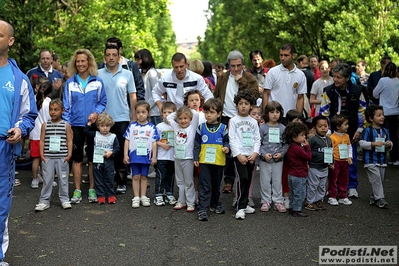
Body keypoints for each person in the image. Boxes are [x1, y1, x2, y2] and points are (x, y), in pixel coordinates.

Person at [0, 20, 37, 265]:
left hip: (4, 148)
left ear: (10, 41)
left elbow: (29, 114)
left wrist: (20, 129)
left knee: (1, 205)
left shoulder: (19, 78)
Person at [63, 48, 107, 204]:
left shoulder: (97, 81)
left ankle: (92, 189)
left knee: (93, 158)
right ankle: (77, 190)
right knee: (77, 159)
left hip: (93, 125)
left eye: (83, 61)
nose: (80, 64)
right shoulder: (70, 83)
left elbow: (102, 102)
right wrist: (68, 126)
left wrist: (96, 113)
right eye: (78, 61)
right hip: (75, 125)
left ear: (89, 62)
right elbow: (66, 107)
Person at [213, 50, 258, 193]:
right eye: (233, 66)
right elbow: (216, 95)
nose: (236, 69)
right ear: (229, 65)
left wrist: (241, 81)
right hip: (226, 117)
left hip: (243, 118)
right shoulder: (223, 77)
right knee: (228, 149)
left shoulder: (249, 78)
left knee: (241, 147)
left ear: (243, 65)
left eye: (238, 65)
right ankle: (228, 180)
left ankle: (241, 182)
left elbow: (254, 95)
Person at [320, 63, 367, 199]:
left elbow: (362, 111)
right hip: (332, 133)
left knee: (349, 159)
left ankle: (351, 187)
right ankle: (332, 189)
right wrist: (327, 131)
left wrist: (359, 129)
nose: (335, 80)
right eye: (334, 76)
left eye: (339, 77)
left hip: (350, 131)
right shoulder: (328, 90)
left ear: (347, 78)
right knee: (331, 161)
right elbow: (324, 111)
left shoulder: (358, 91)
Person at [98, 44, 136, 194]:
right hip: (103, 119)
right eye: (108, 55)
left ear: (119, 56)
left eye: (114, 54)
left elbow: (133, 96)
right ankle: (105, 181)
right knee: (103, 150)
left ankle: (121, 181)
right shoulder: (98, 73)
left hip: (121, 118)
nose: (111, 57)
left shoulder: (127, 74)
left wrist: (133, 117)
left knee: (120, 151)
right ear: (104, 57)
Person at [194, 98, 229, 221]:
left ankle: (215, 204)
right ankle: (203, 209)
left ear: (219, 114)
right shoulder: (201, 127)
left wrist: (226, 148)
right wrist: (195, 157)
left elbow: (227, 142)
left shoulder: (223, 128)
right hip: (205, 162)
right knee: (204, 185)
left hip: (219, 162)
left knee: (216, 185)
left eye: (212, 112)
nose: (208, 115)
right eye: (206, 112)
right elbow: (197, 144)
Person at [34, 98, 73, 211]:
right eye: (51, 109)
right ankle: (44, 200)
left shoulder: (66, 125)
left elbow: (69, 140)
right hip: (48, 157)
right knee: (47, 179)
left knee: (63, 179)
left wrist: (69, 154)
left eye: (56, 109)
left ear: (62, 111)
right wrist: (42, 154)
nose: (53, 112)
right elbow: (41, 140)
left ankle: (65, 199)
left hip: (62, 156)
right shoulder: (45, 125)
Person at [229, 90, 260, 220]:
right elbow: (232, 139)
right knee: (243, 179)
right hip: (240, 156)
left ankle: (245, 203)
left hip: (250, 155)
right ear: (236, 105)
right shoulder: (233, 120)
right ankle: (240, 207)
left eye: (246, 103)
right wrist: (238, 155)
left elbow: (257, 139)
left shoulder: (253, 121)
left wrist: (255, 153)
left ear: (250, 106)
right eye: (240, 103)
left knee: (248, 180)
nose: (243, 106)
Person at [123, 102, 159, 208]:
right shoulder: (132, 126)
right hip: (134, 156)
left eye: (143, 112)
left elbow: (154, 143)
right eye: (138, 112)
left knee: (144, 176)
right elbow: (127, 140)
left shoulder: (152, 127)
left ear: (148, 113)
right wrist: (125, 155)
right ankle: (136, 197)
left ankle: (143, 196)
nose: (141, 115)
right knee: (135, 176)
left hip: (146, 156)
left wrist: (154, 156)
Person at [167, 106, 199, 212]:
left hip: (188, 158)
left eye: (185, 118)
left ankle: (191, 202)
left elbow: (196, 114)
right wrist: (177, 112)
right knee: (180, 181)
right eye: (180, 118)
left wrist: (189, 109)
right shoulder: (176, 126)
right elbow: (168, 118)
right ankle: (181, 201)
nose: (183, 121)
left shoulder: (193, 127)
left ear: (190, 118)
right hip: (177, 158)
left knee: (188, 181)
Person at [359, 105, 392, 208]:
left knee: (379, 180)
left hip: (382, 160)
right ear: (371, 118)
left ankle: (373, 197)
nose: (382, 117)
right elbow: (361, 143)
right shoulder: (367, 130)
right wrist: (373, 144)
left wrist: (389, 144)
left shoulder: (385, 131)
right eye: (378, 115)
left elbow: (390, 142)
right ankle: (380, 199)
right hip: (370, 160)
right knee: (376, 178)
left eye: (382, 115)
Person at [262, 43, 307, 118]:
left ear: (293, 55)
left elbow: (300, 97)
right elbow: (266, 94)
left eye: (286, 55)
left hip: (291, 116)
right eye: (281, 55)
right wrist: (265, 115)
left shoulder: (300, 75)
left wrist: (298, 117)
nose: (282, 58)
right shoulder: (273, 72)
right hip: (274, 116)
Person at [84, 112, 119, 204]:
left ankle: (111, 195)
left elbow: (117, 148)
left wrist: (112, 152)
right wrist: (90, 122)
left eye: (107, 125)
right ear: (98, 126)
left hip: (109, 161)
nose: (105, 128)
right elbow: (86, 131)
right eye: (102, 125)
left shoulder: (113, 136)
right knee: (98, 179)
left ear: (110, 126)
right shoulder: (96, 134)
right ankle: (101, 196)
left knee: (109, 179)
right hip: (98, 160)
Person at [259, 101, 287, 213]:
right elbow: (258, 143)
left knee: (277, 180)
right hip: (265, 159)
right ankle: (265, 200)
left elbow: (286, 144)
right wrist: (263, 154)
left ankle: (278, 201)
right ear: (267, 113)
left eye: (277, 112)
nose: (275, 114)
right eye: (272, 112)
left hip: (278, 159)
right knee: (264, 181)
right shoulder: (262, 128)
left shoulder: (283, 128)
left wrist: (281, 154)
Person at [99, 37, 145, 101]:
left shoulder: (131, 66)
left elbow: (139, 87)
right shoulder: (101, 68)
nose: (111, 48)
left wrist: (137, 107)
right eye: (108, 46)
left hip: (127, 108)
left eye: (114, 47)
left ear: (120, 49)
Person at [372, 62, 399, 166]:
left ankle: (381, 156)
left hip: (384, 111)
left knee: (382, 134)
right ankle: (395, 158)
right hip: (395, 111)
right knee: (394, 135)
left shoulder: (383, 80)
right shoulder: (397, 81)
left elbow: (374, 93)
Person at [283, 121, 312, 217]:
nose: (304, 137)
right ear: (294, 137)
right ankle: (297, 209)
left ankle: (292, 207)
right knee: (299, 193)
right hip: (299, 174)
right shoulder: (298, 148)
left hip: (292, 173)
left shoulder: (291, 147)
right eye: (302, 135)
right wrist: (307, 147)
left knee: (293, 192)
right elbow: (308, 156)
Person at [305, 115, 333, 211]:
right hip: (314, 167)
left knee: (322, 186)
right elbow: (307, 150)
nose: (323, 128)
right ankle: (310, 202)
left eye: (325, 126)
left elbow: (331, 151)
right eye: (320, 126)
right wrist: (307, 162)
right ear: (314, 128)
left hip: (324, 167)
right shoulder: (313, 139)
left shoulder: (329, 140)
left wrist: (332, 162)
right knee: (313, 186)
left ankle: (319, 200)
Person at [154, 102, 177, 206]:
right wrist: (162, 145)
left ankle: (169, 193)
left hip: (173, 157)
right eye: (165, 112)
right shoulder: (159, 126)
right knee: (160, 175)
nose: (167, 115)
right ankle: (158, 195)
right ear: (161, 114)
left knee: (170, 176)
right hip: (161, 156)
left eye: (170, 112)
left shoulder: (176, 126)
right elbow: (153, 141)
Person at [30, 81, 52, 189]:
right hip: (46, 134)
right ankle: (47, 179)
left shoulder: (32, 99)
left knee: (35, 158)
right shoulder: (48, 102)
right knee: (45, 158)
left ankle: (35, 179)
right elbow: (50, 118)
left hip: (34, 133)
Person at [327, 115, 353, 206]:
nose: (348, 126)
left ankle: (343, 195)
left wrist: (349, 157)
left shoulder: (347, 136)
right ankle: (332, 196)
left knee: (344, 178)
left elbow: (349, 146)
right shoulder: (332, 137)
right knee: (333, 178)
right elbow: (330, 150)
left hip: (344, 161)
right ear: (338, 126)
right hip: (336, 161)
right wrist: (331, 162)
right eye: (345, 124)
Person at [134, 49, 161, 125]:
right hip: (144, 113)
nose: (136, 62)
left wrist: (145, 106)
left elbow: (156, 93)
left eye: (138, 59)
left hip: (154, 113)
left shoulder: (152, 73)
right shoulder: (140, 73)